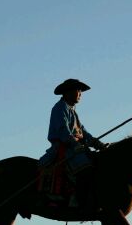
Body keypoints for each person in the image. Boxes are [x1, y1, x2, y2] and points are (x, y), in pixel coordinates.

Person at [38, 79, 108, 209]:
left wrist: (98, 144)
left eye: (81, 91)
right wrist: (75, 144)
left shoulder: (73, 111)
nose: (80, 93)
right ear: (68, 92)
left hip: (76, 147)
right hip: (65, 148)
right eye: (78, 90)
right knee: (85, 167)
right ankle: (75, 198)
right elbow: (63, 130)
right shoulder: (59, 108)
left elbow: (84, 133)